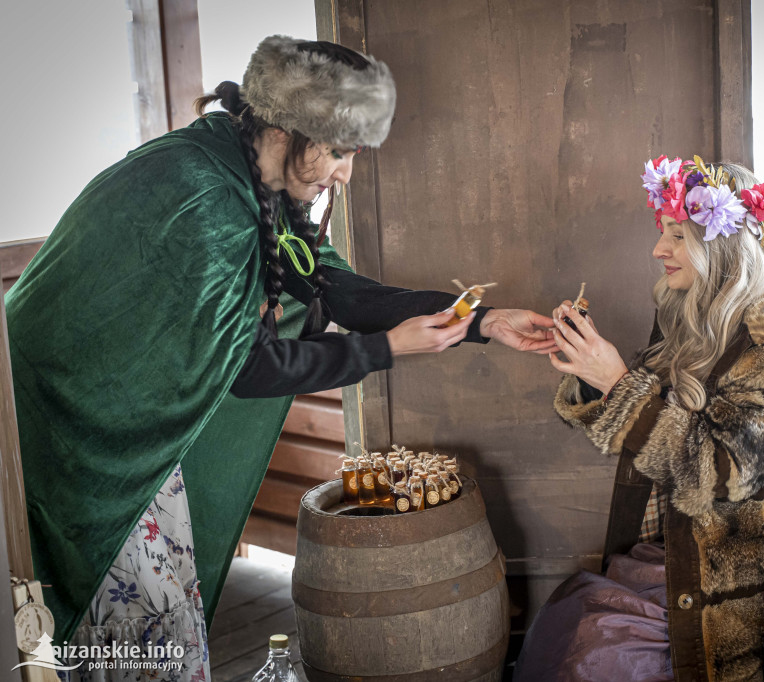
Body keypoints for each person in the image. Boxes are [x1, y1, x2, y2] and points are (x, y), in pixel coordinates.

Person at [5, 35, 556, 680]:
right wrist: (386, 350)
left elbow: (338, 288)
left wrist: (482, 320)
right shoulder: (203, 195)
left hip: (124, 426)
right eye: (342, 152)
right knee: (114, 618)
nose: (347, 173)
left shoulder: (257, 182)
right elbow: (253, 368)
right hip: (68, 430)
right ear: (290, 130)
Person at [515, 156, 764, 681]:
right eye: (663, 234)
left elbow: (722, 471)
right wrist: (589, 368)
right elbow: (646, 414)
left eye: (677, 236)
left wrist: (615, 382)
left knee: (594, 655)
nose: (659, 250)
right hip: (692, 541)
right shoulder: (689, 312)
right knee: (565, 621)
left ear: (720, 245)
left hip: (762, 572)